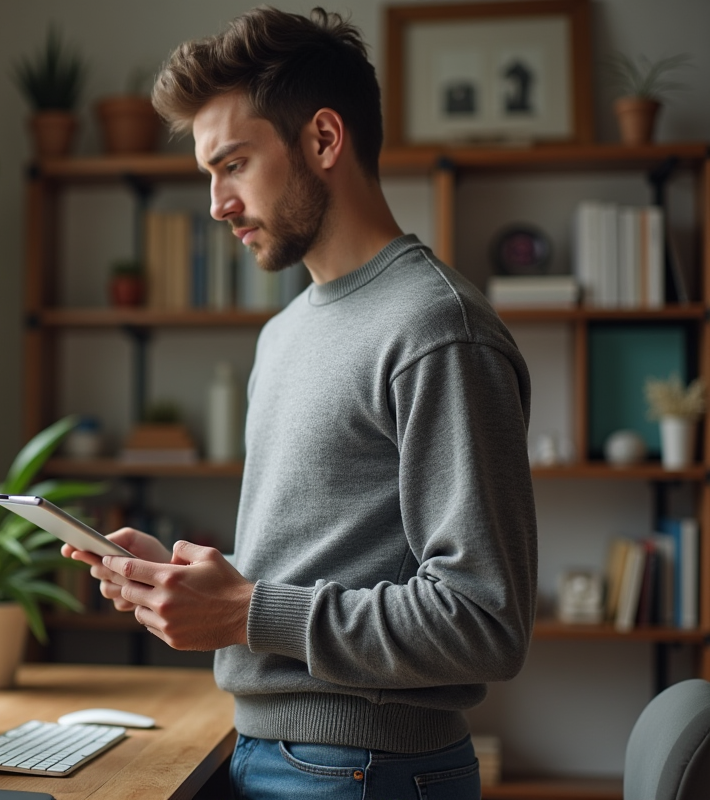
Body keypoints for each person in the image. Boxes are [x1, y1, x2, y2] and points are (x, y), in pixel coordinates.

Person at [61, 7, 537, 800]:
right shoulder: (284, 334)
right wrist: (191, 584)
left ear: (322, 140)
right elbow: (314, 571)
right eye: (209, 173)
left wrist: (248, 612)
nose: (216, 204)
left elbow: (484, 620)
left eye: (234, 164)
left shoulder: (437, 330)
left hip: (367, 771)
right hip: (266, 751)